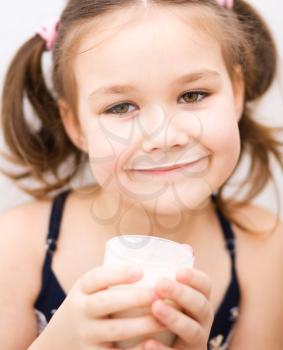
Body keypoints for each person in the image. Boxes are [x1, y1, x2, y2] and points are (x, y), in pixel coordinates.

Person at [1, 0, 283, 349]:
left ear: (236, 93)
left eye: (193, 94)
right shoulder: (16, 245)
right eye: (121, 107)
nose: (163, 137)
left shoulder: (263, 246)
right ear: (75, 124)